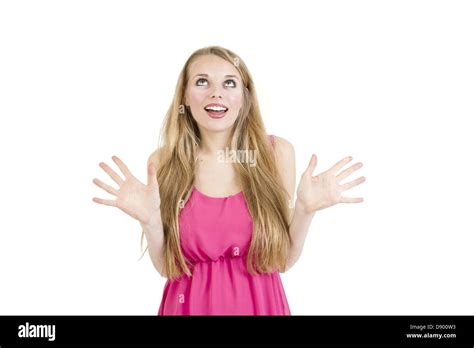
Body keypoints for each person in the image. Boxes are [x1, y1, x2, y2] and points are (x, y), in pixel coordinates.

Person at [92, 45, 366, 315]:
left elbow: (281, 261)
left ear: (246, 97)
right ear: (185, 97)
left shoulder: (276, 154)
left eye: (229, 83)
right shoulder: (163, 162)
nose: (216, 93)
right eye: (202, 82)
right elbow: (167, 267)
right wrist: (150, 221)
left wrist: (305, 211)